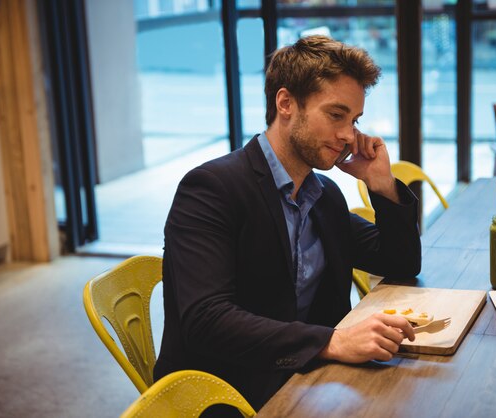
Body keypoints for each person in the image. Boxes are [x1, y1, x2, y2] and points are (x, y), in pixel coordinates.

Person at [153, 35, 422, 414]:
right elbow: (207, 321)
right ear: (286, 104)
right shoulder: (212, 188)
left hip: (309, 382)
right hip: (227, 393)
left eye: (354, 120)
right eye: (336, 115)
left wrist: (382, 185)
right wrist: (332, 341)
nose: (349, 135)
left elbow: (401, 262)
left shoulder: (322, 195)